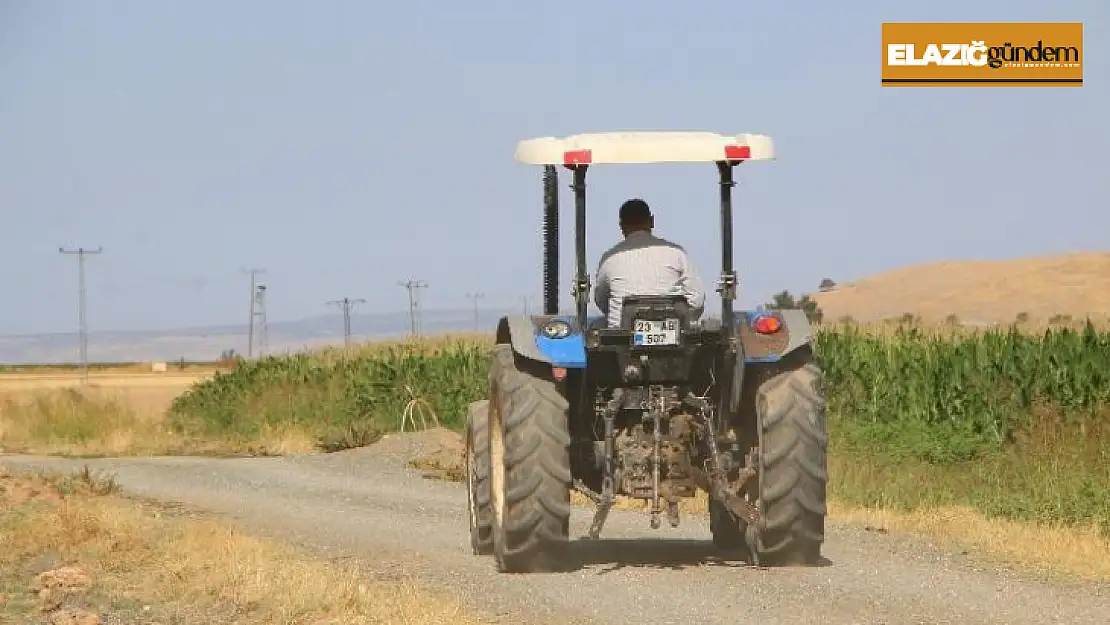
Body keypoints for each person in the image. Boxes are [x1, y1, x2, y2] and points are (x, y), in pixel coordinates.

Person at [593, 198, 706, 328]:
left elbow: (601, 300)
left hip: (623, 336)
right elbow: (697, 298)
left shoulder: (610, 258)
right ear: (651, 221)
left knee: (597, 325)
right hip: (672, 330)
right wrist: (683, 317)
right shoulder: (676, 253)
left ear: (621, 226)